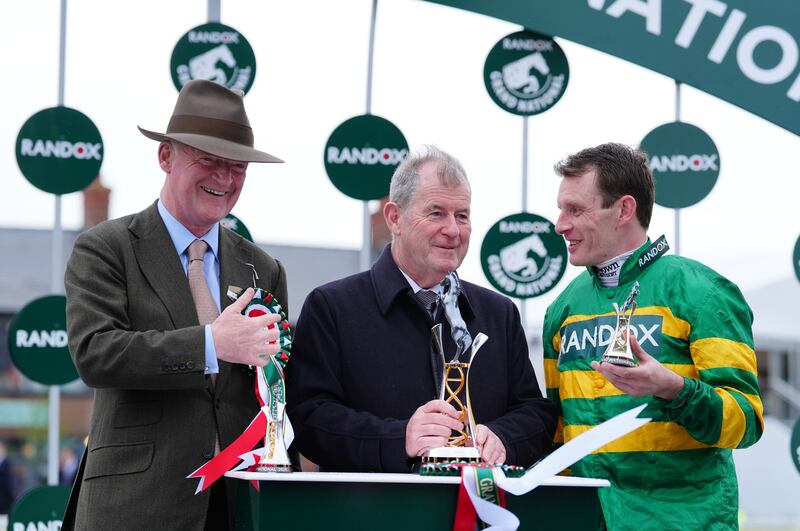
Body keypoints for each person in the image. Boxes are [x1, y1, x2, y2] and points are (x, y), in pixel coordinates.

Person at [62, 80, 288, 531]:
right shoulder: (106, 248)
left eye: (237, 166)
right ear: (166, 156)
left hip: (239, 506)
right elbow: (96, 353)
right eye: (209, 160)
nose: (224, 179)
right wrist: (209, 344)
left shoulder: (264, 268)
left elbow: (278, 390)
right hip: (136, 507)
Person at [286, 145, 557, 472]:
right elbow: (309, 418)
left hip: (479, 518)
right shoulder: (332, 308)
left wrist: (501, 438)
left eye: (462, 215)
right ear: (394, 218)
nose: (453, 230)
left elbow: (535, 414)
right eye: (436, 213)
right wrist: (400, 438)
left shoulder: (499, 314)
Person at [543, 142, 763, 530]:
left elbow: (745, 422)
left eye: (575, 209)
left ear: (625, 209)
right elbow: (559, 433)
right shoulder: (563, 308)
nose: (560, 224)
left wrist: (675, 390)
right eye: (561, 209)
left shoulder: (703, 292)